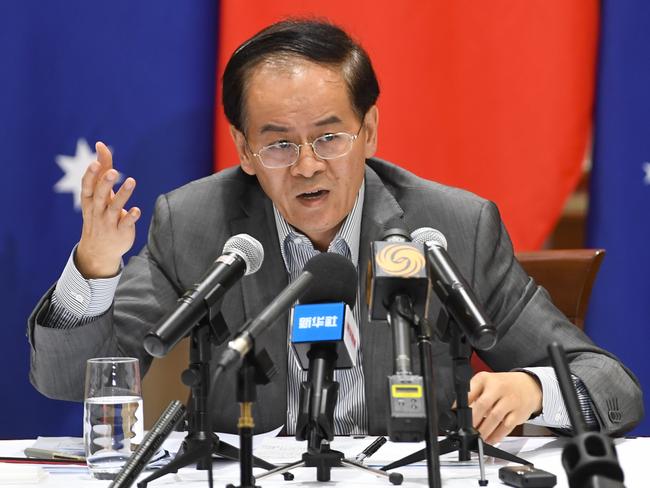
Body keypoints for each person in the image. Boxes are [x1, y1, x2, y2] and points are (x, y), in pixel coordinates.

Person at [29, 19, 643, 443]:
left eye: (330, 136)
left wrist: (533, 390)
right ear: (243, 148)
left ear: (369, 132)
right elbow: (66, 383)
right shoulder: (197, 223)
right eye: (278, 143)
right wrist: (94, 270)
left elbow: (613, 388)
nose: (307, 165)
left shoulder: (453, 226)